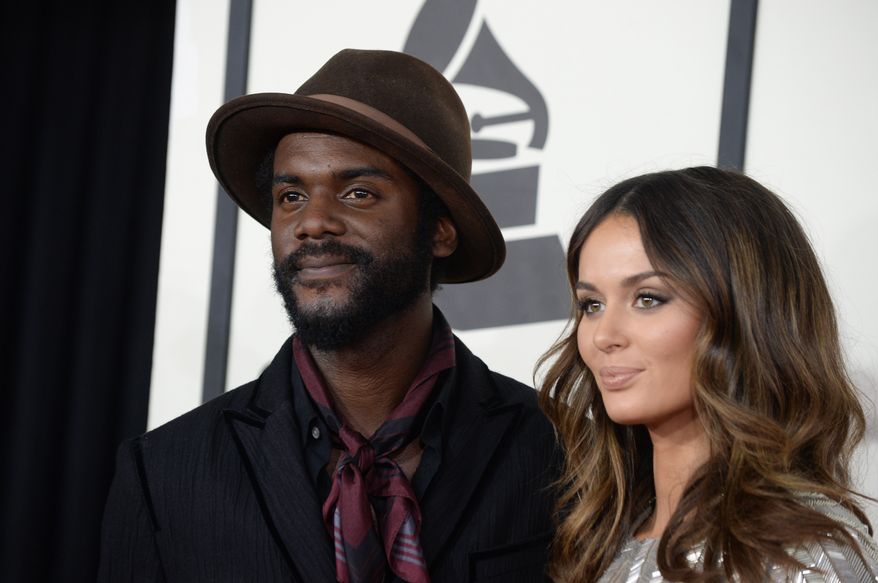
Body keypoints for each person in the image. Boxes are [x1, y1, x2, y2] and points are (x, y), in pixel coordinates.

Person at [99, 49, 560, 583]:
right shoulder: (163, 472)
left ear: (440, 230)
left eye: (358, 193)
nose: (313, 222)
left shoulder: (566, 454)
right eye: (291, 195)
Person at [538, 166, 878, 582]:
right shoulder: (597, 543)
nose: (603, 336)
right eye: (592, 304)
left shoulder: (805, 554)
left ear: (745, 312)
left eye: (647, 298)